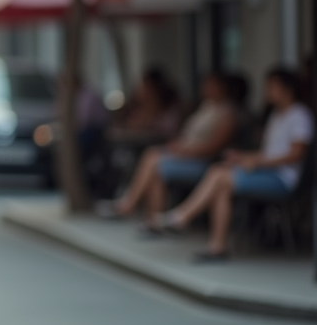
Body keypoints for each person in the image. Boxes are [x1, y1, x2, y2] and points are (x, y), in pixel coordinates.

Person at [153, 67, 314, 261]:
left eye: (271, 86)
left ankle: (183, 217)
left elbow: (295, 155)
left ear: (287, 88)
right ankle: (215, 244)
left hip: (284, 179)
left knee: (220, 176)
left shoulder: (300, 116)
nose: (267, 91)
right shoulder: (277, 115)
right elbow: (271, 153)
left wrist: (256, 161)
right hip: (268, 172)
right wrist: (243, 157)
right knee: (220, 176)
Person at [95, 72, 239, 226]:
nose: (205, 88)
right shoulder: (206, 106)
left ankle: (129, 205)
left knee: (153, 160)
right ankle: (153, 221)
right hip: (185, 154)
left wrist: (183, 150)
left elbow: (213, 147)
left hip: (198, 160)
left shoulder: (227, 113)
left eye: (210, 84)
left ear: (222, 87)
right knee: (154, 165)